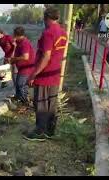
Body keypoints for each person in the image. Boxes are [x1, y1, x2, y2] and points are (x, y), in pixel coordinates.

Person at [25, 7, 67, 141]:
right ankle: (50, 130)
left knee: (41, 103)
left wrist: (34, 74)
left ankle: (40, 132)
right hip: (55, 74)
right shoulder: (63, 32)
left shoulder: (48, 33)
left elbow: (46, 56)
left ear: (46, 18)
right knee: (51, 103)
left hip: (44, 75)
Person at [5, 26, 36, 104]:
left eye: (14, 35)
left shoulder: (24, 43)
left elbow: (25, 57)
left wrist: (14, 59)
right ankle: (19, 97)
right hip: (22, 67)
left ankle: (24, 101)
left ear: (16, 35)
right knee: (19, 83)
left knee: (20, 84)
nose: (13, 36)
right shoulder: (19, 43)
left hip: (27, 68)